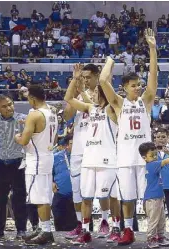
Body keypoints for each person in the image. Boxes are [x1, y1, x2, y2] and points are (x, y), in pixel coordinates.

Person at [98, 28, 158, 246]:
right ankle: (129, 230)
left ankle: (153, 232)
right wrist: (110, 60)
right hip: (124, 157)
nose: (138, 88)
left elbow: (153, 77)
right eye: (133, 86)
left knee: (149, 198)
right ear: (124, 88)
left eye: (138, 85)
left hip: (145, 158)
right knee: (127, 197)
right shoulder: (119, 103)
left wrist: (152, 49)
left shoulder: (146, 100)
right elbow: (104, 81)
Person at [64, 64, 120, 245]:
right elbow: (69, 99)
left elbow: (104, 83)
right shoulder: (90, 107)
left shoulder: (111, 109)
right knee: (85, 196)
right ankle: (86, 230)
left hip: (107, 157)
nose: (92, 92)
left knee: (110, 196)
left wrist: (110, 61)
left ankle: (115, 226)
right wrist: (75, 80)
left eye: (97, 91)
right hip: (88, 156)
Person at [63, 63, 104, 241]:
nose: (85, 80)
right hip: (79, 148)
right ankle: (81, 224)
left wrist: (81, 90)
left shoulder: (105, 92)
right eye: (84, 77)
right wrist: (75, 82)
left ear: (97, 76)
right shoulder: (79, 93)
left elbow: (94, 105)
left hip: (99, 147)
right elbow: (66, 115)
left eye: (88, 77)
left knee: (103, 189)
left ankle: (105, 221)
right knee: (77, 190)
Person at [15, 84, 58, 245]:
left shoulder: (34, 114)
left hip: (37, 159)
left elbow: (24, 140)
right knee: (45, 195)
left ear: (33, 98)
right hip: (48, 156)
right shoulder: (52, 112)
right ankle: (42, 227)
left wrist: (17, 137)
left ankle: (46, 230)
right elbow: (54, 139)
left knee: (40, 198)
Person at [0, 94, 29, 240]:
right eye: (4, 106)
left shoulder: (23, 118)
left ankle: (21, 229)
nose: (9, 108)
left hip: (18, 163)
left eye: (10, 104)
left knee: (19, 198)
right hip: (0, 164)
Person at [139, 142, 169, 248]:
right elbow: (165, 161)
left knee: (161, 219)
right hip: (152, 199)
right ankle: (151, 238)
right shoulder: (152, 165)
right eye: (152, 156)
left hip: (158, 197)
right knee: (154, 220)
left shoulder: (152, 164)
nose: (155, 157)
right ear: (144, 157)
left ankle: (160, 236)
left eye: (156, 155)